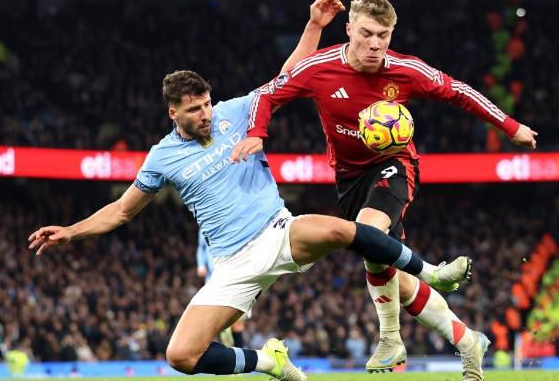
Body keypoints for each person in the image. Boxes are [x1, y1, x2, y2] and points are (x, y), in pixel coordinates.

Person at [29, 67, 470, 381]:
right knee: (181, 355)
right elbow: (122, 210)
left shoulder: (235, 111)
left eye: (207, 104)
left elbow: (289, 77)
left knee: (342, 230)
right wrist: (71, 231)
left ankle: (431, 271)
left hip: (278, 231)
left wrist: (314, 25)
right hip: (232, 264)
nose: (205, 114)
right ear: (173, 113)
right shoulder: (161, 157)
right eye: (194, 109)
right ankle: (270, 363)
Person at [231, 0, 538, 380]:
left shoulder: (405, 70)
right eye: (366, 34)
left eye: (383, 35)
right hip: (348, 179)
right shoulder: (319, 67)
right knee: (398, 279)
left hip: (394, 165)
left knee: (369, 234)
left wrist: (510, 126)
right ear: (349, 30)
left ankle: (390, 337)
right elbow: (267, 94)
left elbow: (459, 91)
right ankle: (467, 341)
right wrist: (257, 133)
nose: (375, 44)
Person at [196, 230, 245, 348]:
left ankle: (239, 351)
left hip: (233, 277)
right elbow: (201, 247)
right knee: (217, 319)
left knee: (237, 321)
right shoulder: (205, 226)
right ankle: (227, 350)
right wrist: (201, 265)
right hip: (213, 279)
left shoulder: (233, 225)